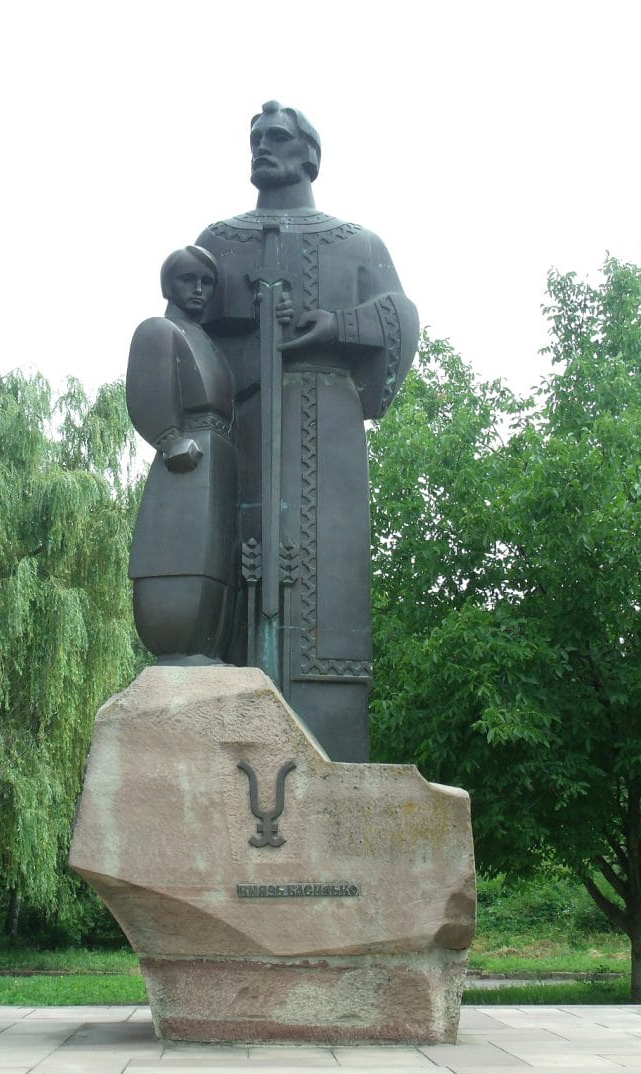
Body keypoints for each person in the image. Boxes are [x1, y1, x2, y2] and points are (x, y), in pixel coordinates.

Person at [195, 101, 418, 762]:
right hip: (242, 429)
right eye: (256, 138)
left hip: (329, 433)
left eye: (278, 138)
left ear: (309, 156)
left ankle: (325, 757)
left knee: (328, 601)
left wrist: (335, 328)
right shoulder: (220, 239)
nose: (262, 147)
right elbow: (182, 332)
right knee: (238, 576)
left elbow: (399, 319)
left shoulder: (356, 243)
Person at [126, 245, 237, 664]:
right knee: (187, 550)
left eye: (207, 283)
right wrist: (169, 437)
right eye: (189, 280)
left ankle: (209, 645)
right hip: (188, 456)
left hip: (218, 454)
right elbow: (147, 386)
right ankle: (179, 642)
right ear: (168, 283)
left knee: (216, 554)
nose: (199, 290)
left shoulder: (205, 340)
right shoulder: (160, 330)